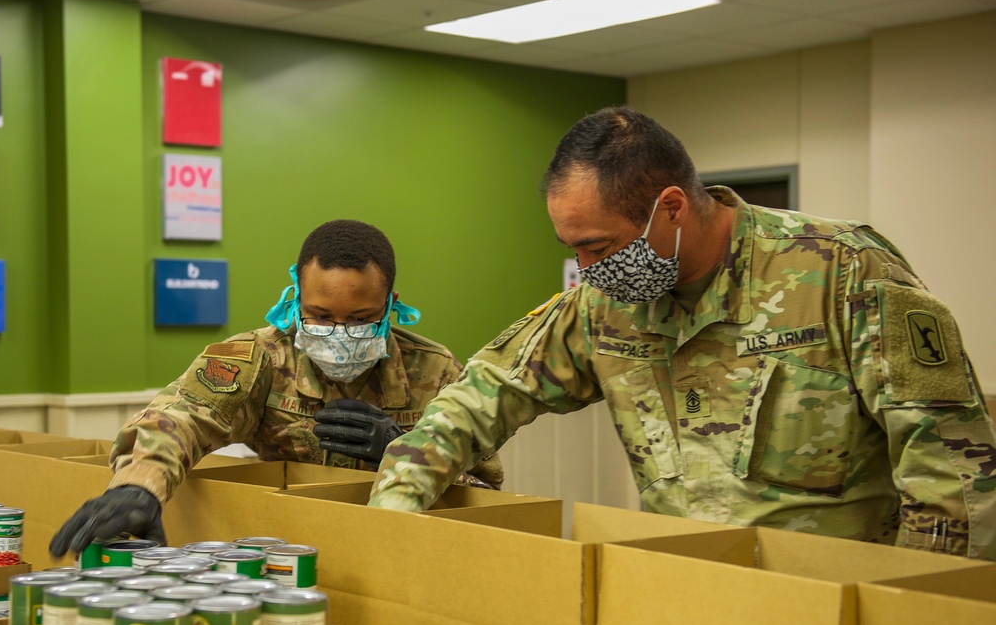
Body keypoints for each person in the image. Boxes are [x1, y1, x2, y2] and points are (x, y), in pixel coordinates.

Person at [368, 106, 996, 560]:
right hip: (686, 594)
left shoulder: (841, 272)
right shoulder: (600, 305)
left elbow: (953, 476)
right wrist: (394, 512)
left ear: (669, 209)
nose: (587, 271)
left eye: (598, 247)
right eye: (573, 251)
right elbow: (480, 398)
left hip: (837, 603)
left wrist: (918, 612)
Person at [49, 219, 502, 557]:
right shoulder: (261, 358)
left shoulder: (434, 369)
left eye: (361, 319)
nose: (339, 331)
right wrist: (138, 487)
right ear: (296, 299)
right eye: (321, 316)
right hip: (287, 551)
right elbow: (183, 417)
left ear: (390, 307)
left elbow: (486, 493)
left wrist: (404, 450)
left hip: (399, 551)